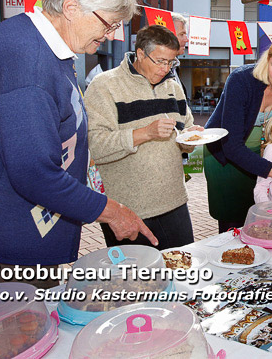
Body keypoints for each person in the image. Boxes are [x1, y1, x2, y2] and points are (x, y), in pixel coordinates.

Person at [0, 0, 157, 288]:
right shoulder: (27, 64)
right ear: (71, 7)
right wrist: (111, 211)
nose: (112, 34)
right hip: (3, 232)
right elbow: (33, 172)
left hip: (20, 224)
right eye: (110, 23)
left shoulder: (44, 47)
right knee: (25, 327)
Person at [84, 25, 203, 250]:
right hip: (128, 210)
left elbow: (185, 134)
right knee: (137, 282)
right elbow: (96, 146)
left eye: (171, 62)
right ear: (140, 54)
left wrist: (191, 138)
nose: (166, 68)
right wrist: (145, 133)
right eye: (160, 61)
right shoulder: (104, 86)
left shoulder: (173, 87)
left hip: (175, 202)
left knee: (182, 275)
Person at [204, 34, 272, 233]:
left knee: (262, 221)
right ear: (267, 59)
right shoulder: (241, 80)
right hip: (225, 158)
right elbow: (231, 146)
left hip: (261, 157)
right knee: (234, 224)